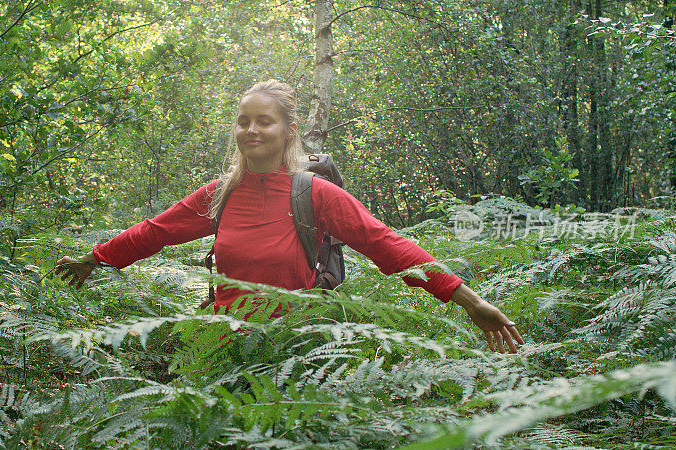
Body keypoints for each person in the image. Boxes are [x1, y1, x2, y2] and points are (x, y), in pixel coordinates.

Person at [55, 79, 524, 353]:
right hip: (226, 342)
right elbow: (154, 233)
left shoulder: (314, 193)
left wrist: (469, 302)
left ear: (288, 130)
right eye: (244, 121)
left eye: (264, 121)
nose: (252, 130)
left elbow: (388, 246)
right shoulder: (219, 194)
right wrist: (95, 259)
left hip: (299, 345)